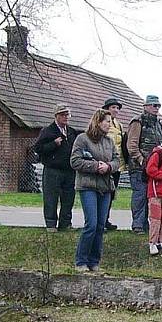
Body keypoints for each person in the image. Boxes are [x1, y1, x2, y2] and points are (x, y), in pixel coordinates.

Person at [70, 109, 120, 272]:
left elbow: (116, 160)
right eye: (106, 121)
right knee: (91, 223)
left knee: (100, 225)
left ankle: (94, 261)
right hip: (88, 185)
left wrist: (109, 167)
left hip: (105, 187)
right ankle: (81, 260)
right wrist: (95, 166)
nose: (109, 124)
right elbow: (75, 161)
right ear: (98, 122)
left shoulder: (109, 142)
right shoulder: (82, 139)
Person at [33, 104, 78, 232]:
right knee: (51, 198)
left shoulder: (71, 132)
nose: (65, 117)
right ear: (56, 116)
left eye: (67, 115)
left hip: (69, 170)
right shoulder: (48, 131)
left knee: (69, 198)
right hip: (53, 170)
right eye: (63, 115)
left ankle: (65, 223)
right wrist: (53, 144)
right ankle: (51, 224)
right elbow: (38, 149)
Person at [126, 94, 162, 232]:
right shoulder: (137, 121)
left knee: (150, 196)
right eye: (154, 105)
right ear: (146, 106)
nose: (157, 108)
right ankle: (137, 225)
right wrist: (141, 160)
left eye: (158, 105)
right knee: (140, 195)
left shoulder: (158, 124)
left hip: (153, 168)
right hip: (139, 167)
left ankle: (146, 225)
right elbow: (132, 145)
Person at [102, 97, 125, 231]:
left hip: (117, 164)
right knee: (104, 192)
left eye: (117, 108)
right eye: (113, 107)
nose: (115, 110)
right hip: (105, 163)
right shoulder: (104, 123)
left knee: (111, 193)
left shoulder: (119, 124)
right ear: (106, 109)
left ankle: (106, 219)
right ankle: (101, 220)